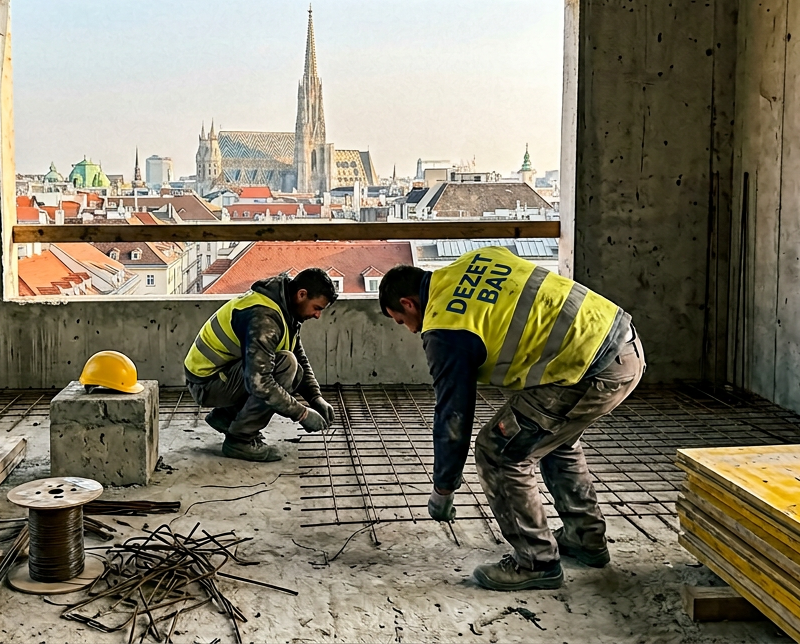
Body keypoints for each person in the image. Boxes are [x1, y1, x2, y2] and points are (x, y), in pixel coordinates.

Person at [378, 247, 645, 591]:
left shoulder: (444, 329)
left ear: (409, 303)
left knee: (499, 451)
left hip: (590, 368)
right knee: (550, 439)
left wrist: (444, 489)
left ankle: (536, 562)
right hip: (620, 339)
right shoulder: (477, 259)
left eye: (402, 321)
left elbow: (454, 414)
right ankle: (584, 537)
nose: (410, 330)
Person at [184, 268, 339, 462]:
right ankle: (239, 441)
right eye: (317, 308)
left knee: (294, 369)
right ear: (302, 294)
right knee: (285, 367)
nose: (317, 315)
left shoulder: (284, 307)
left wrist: (316, 398)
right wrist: (303, 414)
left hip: (224, 374)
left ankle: (226, 418)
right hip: (206, 383)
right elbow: (259, 383)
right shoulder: (264, 317)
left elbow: (299, 356)